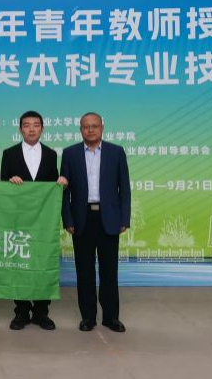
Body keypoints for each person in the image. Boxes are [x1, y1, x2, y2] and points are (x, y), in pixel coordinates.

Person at [60, 112, 130, 333]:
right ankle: (88, 317)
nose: (90, 130)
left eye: (94, 126)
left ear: (102, 128)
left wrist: (124, 218)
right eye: (86, 126)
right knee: (84, 271)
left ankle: (111, 317)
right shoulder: (70, 153)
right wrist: (68, 219)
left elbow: (124, 188)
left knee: (109, 271)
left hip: (109, 218)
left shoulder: (116, 152)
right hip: (82, 219)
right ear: (80, 129)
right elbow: (64, 191)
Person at [0, 111, 68, 331]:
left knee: (42, 262)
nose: (31, 129)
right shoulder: (9, 154)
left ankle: (41, 312)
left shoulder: (50, 154)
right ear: (20, 129)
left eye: (36, 125)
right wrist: (10, 181)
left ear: (42, 129)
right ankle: (21, 311)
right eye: (27, 125)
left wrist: (60, 182)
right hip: (17, 220)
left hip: (42, 222)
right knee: (19, 262)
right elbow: (1, 187)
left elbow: (52, 186)